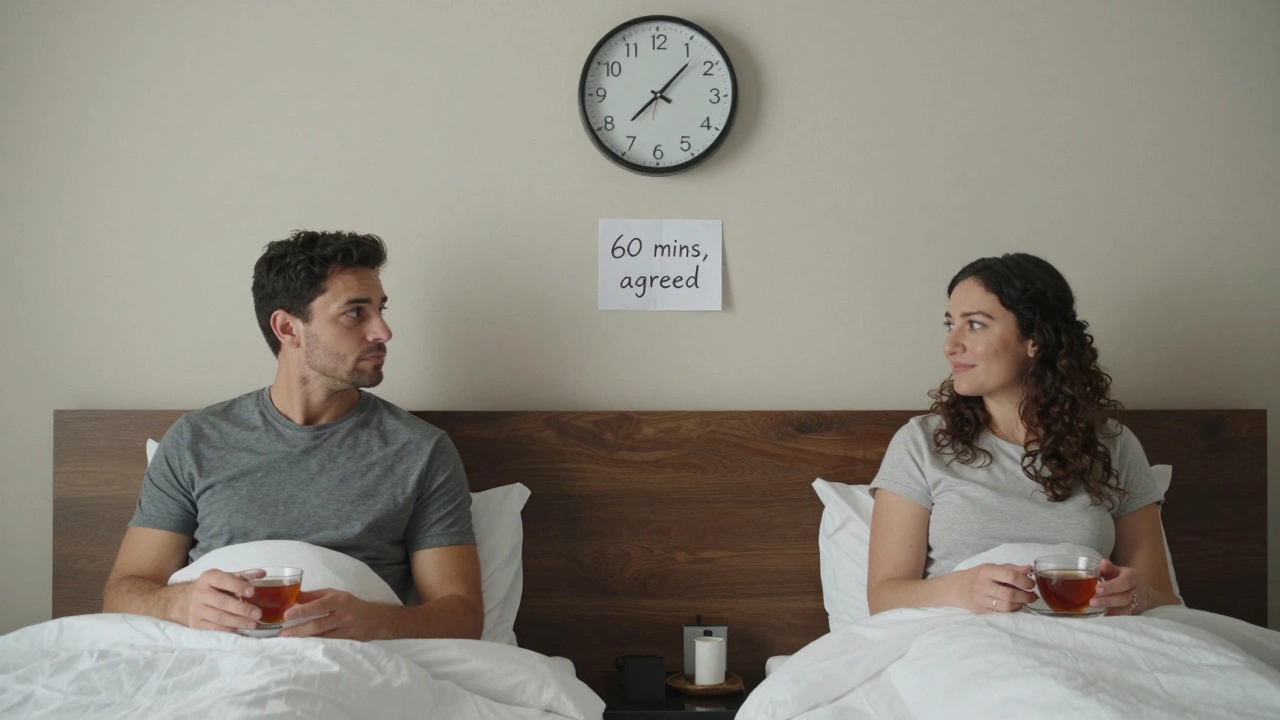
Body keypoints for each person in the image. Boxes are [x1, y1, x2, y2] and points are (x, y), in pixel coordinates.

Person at [103, 230, 484, 640]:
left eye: (380, 310)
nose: (383, 332)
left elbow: (461, 617)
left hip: (356, 669)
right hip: (212, 666)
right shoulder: (196, 440)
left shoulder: (420, 451)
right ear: (288, 328)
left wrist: (374, 622)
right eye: (356, 313)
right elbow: (122, 595)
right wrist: (179, 602)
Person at [866, 253, 1179, 617]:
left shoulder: (1114, 445)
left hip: (1093, 642)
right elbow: (883, 597)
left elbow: (1164, 598)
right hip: (961, 649)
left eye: (976, 325)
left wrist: (1140, 594)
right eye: (950, 324)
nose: (950, 345)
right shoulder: (921, 443)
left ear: (1035, 339)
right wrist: (961, 588)